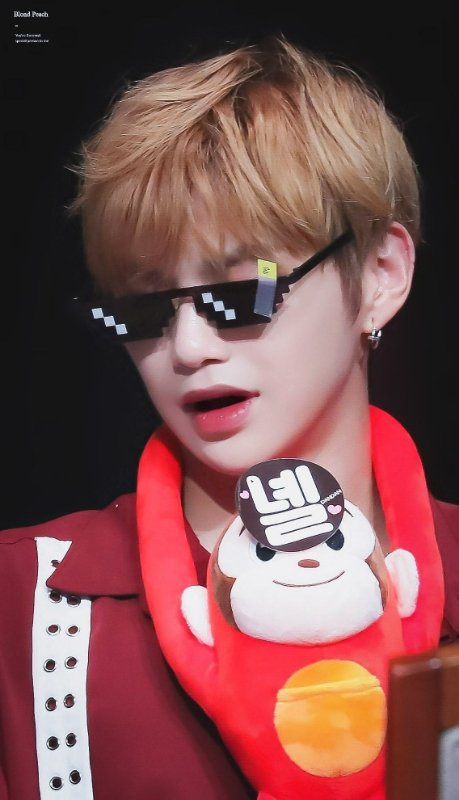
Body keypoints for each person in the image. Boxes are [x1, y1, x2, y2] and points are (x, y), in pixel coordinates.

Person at [1, 35, 457, 799]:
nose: (186, 348)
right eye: (142, 307)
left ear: (381, 274)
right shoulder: (24, 600)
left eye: (241, 292)